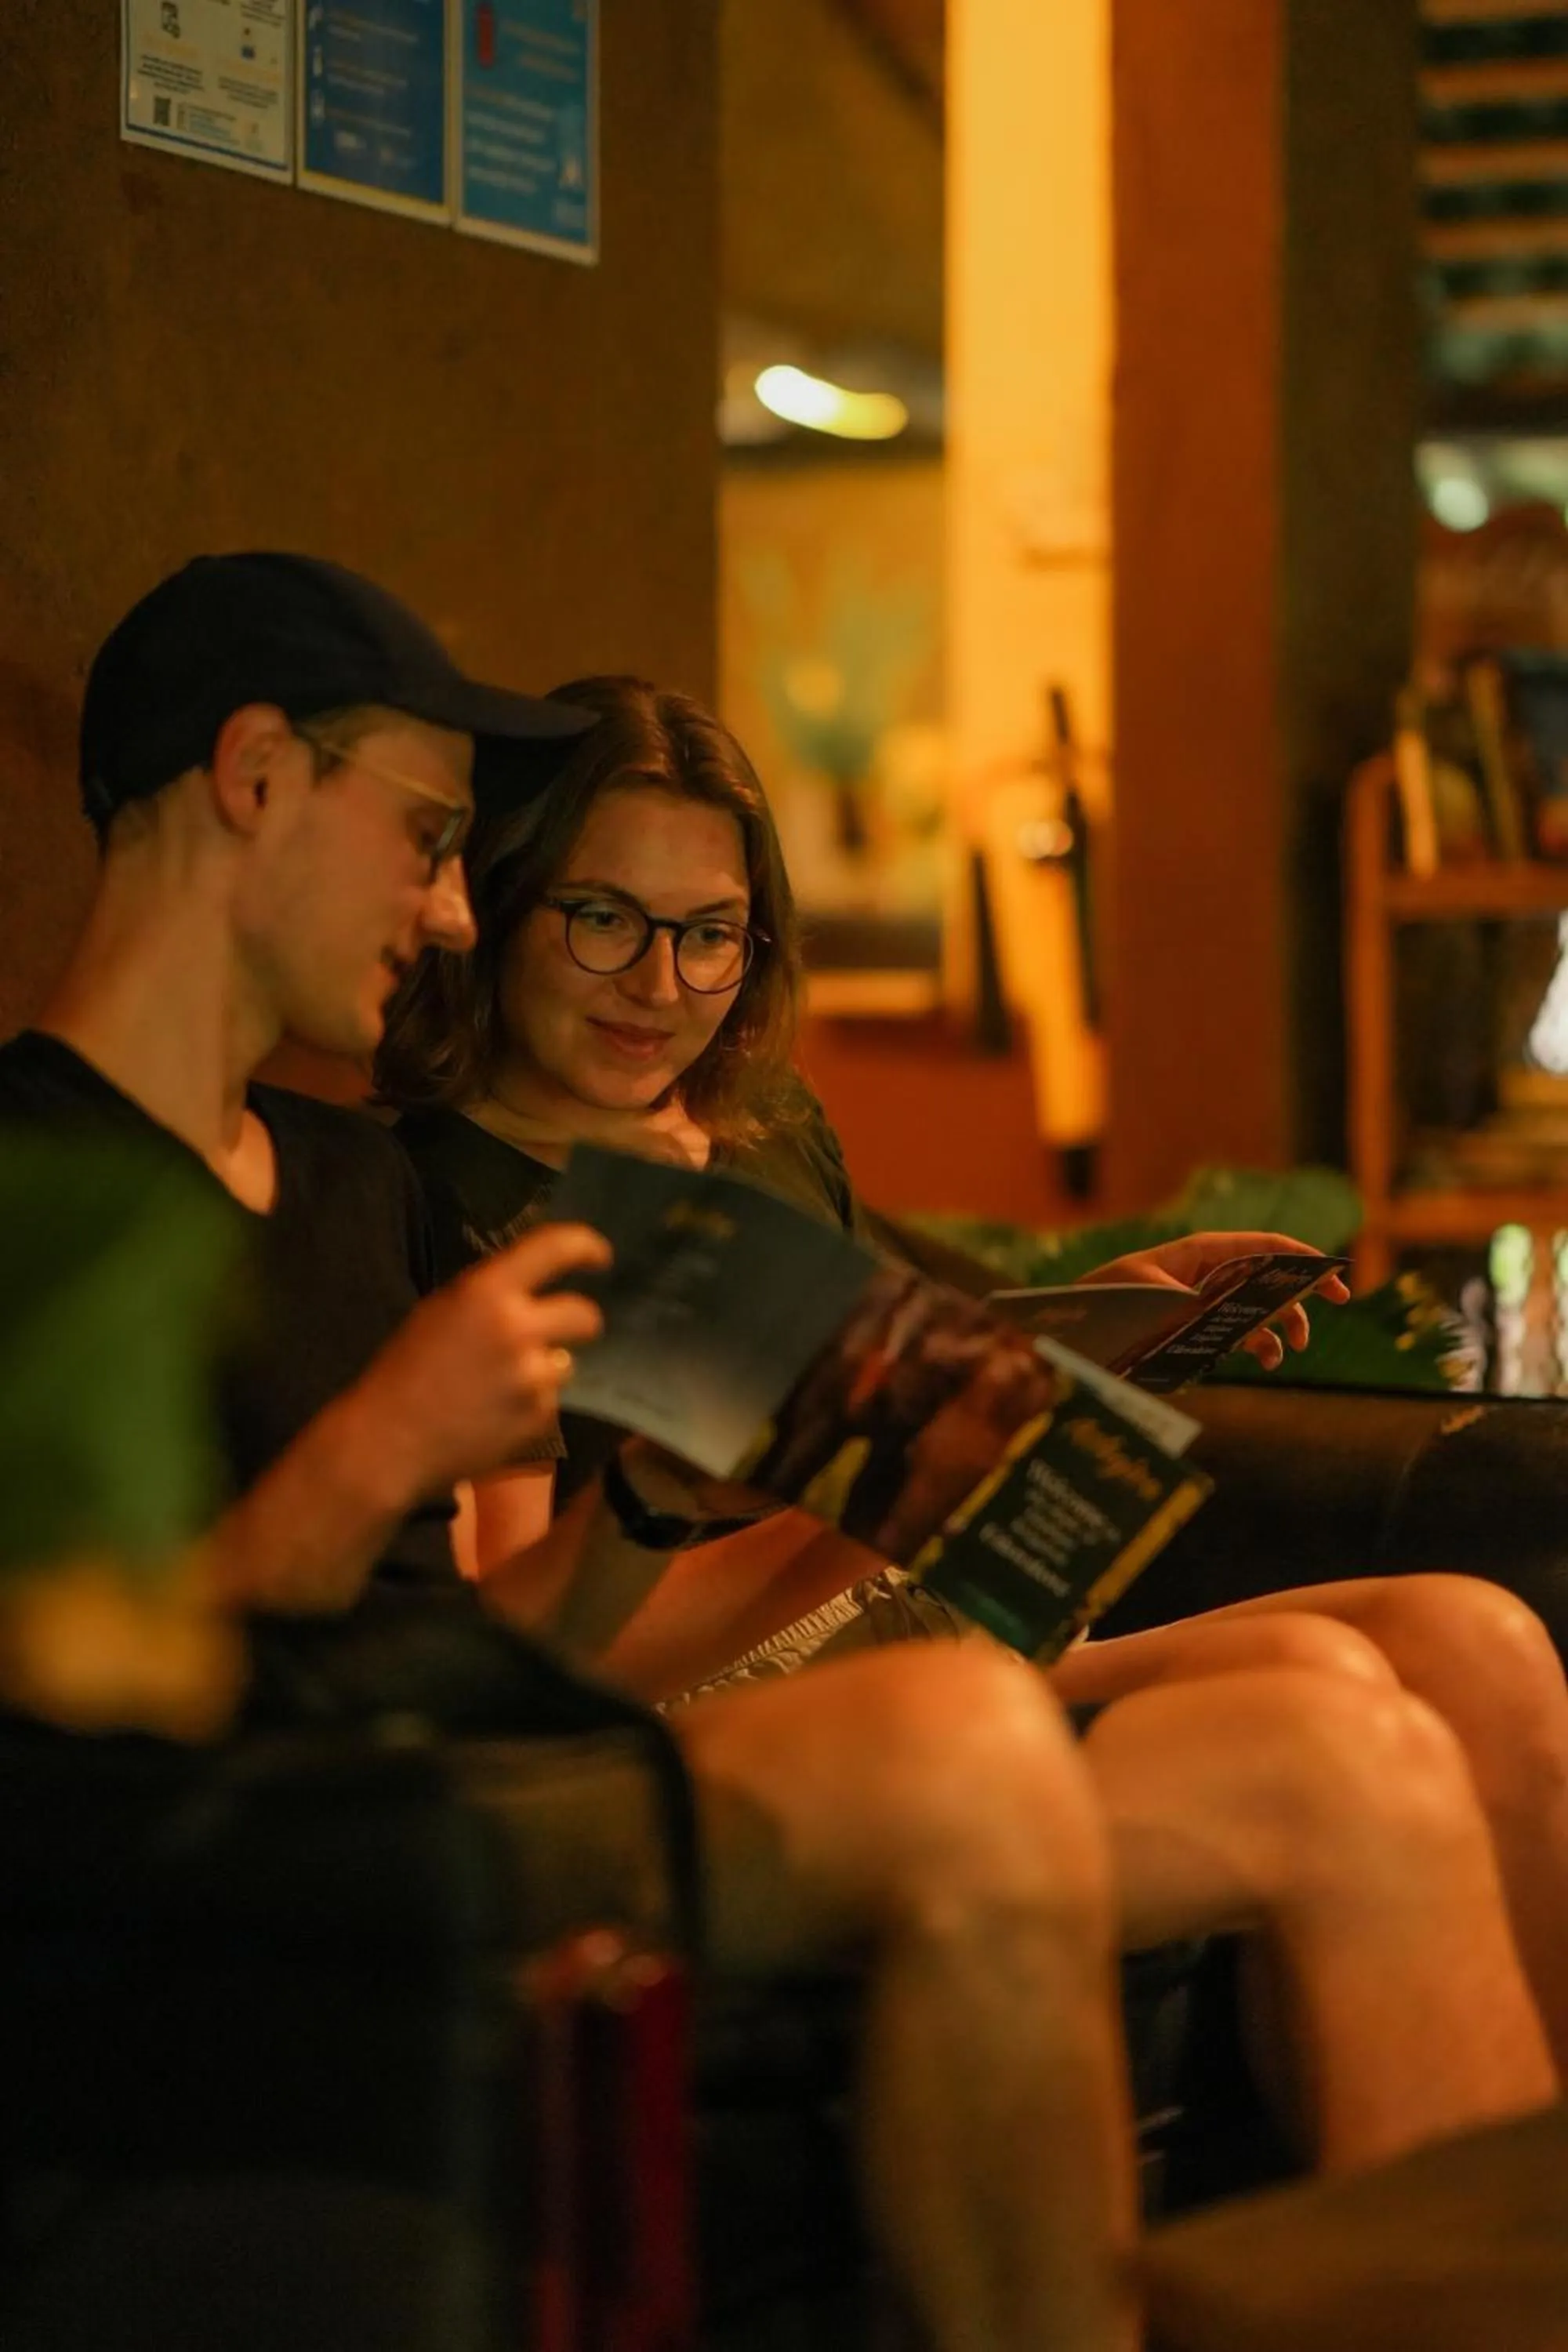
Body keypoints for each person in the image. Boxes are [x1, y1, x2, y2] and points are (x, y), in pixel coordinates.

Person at [2, 559, 1552, 2352]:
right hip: (382, 1824)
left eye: (705, 932)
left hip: (524, 1756)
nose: (441, 908)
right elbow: (82, 1711)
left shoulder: (341, 1181)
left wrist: (676, 1492)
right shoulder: (77, 1189)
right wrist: (394, 1451)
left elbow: (491, 1627)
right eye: (432, 840)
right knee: (1166, 1731)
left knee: (1422, 1659)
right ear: (256, 777)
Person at [378, 672, 1568, 2078]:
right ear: (499, 907)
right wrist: (893, 1483)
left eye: (710, 936)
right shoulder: (445, 1201)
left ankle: (1494, 2233)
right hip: (747, 1713)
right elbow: (516, 1655)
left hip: (941, 1623)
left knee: (1472, 1642)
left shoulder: (758, 1136)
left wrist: (1096, 1322)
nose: (659, 984)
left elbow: (909, 1341)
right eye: (602, 921)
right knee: (1325, 1694)